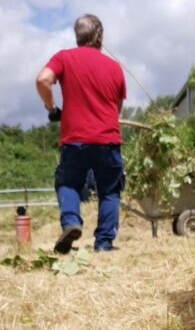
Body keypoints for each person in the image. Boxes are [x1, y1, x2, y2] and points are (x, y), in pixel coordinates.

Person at [36, 14, 127, 253]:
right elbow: (117, 107)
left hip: (74, 140)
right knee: (109, 190)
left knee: (68, 183)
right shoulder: (115, 67)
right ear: (100, 36)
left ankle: (71, 222)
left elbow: (43, 79)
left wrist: (52, 108)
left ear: (77, 36)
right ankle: (104, 244)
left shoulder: (64, 58)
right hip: (107, 139)